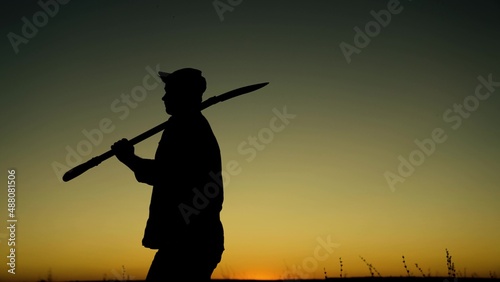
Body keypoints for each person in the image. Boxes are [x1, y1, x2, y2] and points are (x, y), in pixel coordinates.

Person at [111, 68, 224, 281]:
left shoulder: (188, 127)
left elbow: (167, 174)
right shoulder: (182, 124)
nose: (164, 97)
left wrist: (129, 159)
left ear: (184, 93)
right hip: (190, 238)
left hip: (191, 240)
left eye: (169, 91)